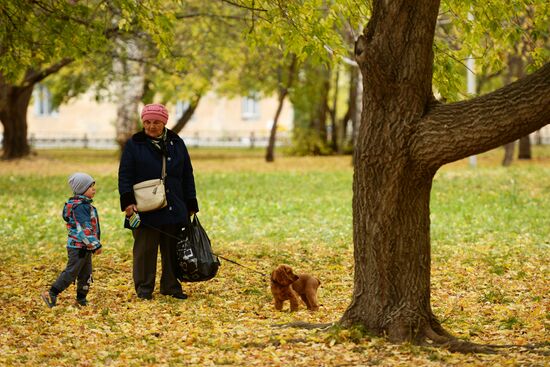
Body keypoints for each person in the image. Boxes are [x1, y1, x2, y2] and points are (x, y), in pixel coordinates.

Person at [118, 103, 198, 301]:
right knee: (145, 251)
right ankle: (144, 289)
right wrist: (128, 202)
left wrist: (190, 203)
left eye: (156, 122)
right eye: (147, 122)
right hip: (145, 207)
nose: (151, 126)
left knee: (172, 249)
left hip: (174, 204)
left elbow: (187, 173)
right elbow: (125, 175)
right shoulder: (134, 144)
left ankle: (171, 286)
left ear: (164, 123)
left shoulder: (176, 142)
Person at [41, 173, 102, 307]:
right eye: (90, 187)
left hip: (85, 247)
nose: (94, 189)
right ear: (81, 189)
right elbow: (83, 229)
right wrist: (95, 245)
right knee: (71, 272)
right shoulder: (80, 207)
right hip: (78, 247)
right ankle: (51, 293)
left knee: (86, 274)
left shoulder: (84, 205)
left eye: (93, 186)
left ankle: (81, 299)